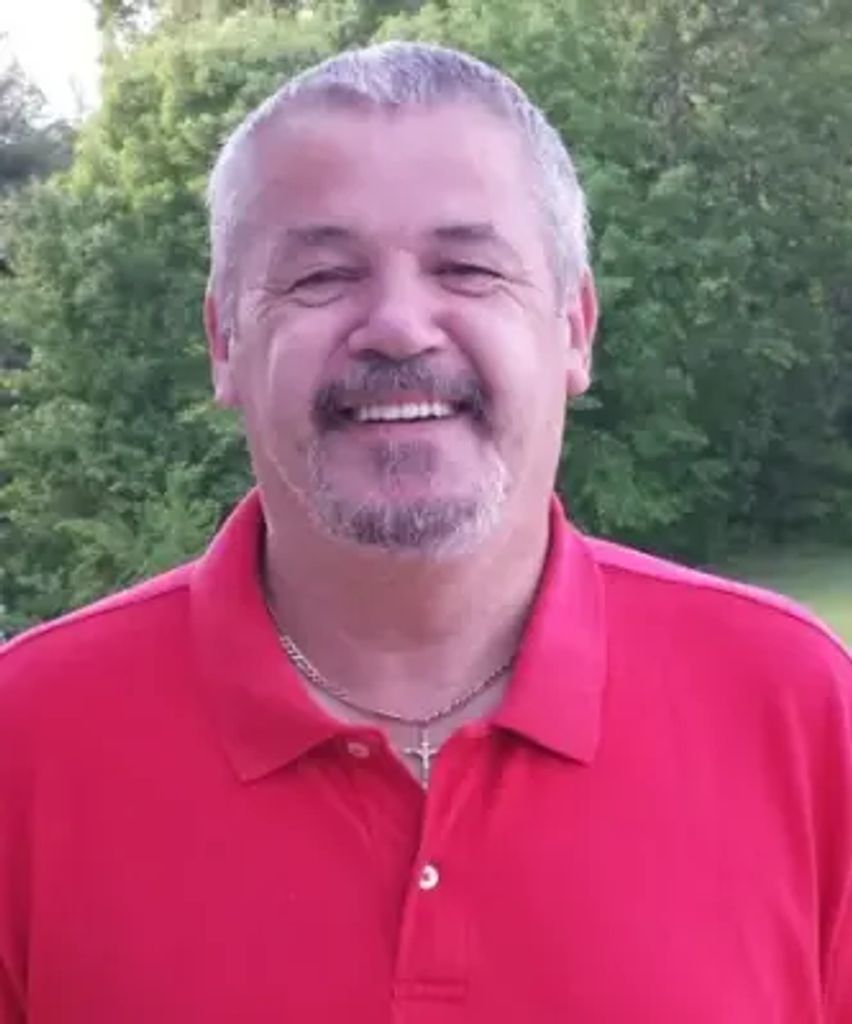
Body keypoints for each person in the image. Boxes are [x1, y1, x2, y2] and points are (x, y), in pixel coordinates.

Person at [1, 40, 850, 1024]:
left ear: (575, 327)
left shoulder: (798, 714)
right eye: (323, 276)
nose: (400, 326)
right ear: (224, 342)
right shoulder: (26, 746)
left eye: (468, 269)